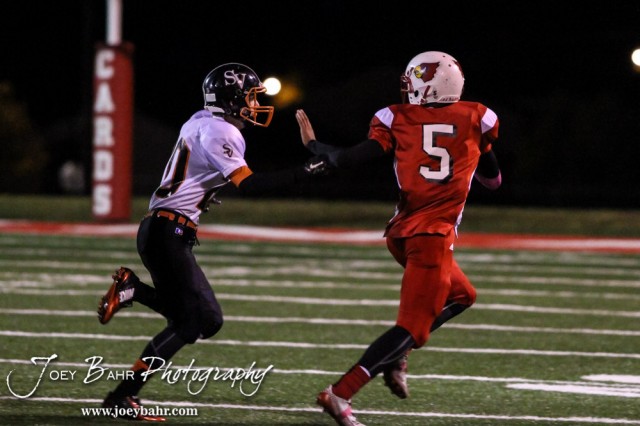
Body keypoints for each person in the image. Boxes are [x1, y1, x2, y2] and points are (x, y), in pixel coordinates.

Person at [96, 62, 322, 421]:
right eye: (250, 97)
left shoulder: (199, 121)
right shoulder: (222, 130)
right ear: (232, 99)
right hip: (168, 232)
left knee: (208, 320)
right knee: (190, 323)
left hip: (163, 230)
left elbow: (195, 171)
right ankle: (121, 397)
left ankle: (134, 290)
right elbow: (251, 185)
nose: (255, 104)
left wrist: (204, 192)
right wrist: (307, 171)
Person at [295, 51, 502, 426]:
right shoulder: (479, 117)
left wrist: (314, 147)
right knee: (411, 327)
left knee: (462, 295)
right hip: (431, 238)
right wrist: (477, 153)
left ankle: (397, 355)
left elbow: (350, 159)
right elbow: (493, 180)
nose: (408, 89)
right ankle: (340, 393)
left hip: (402, 234)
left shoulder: (395, 117)